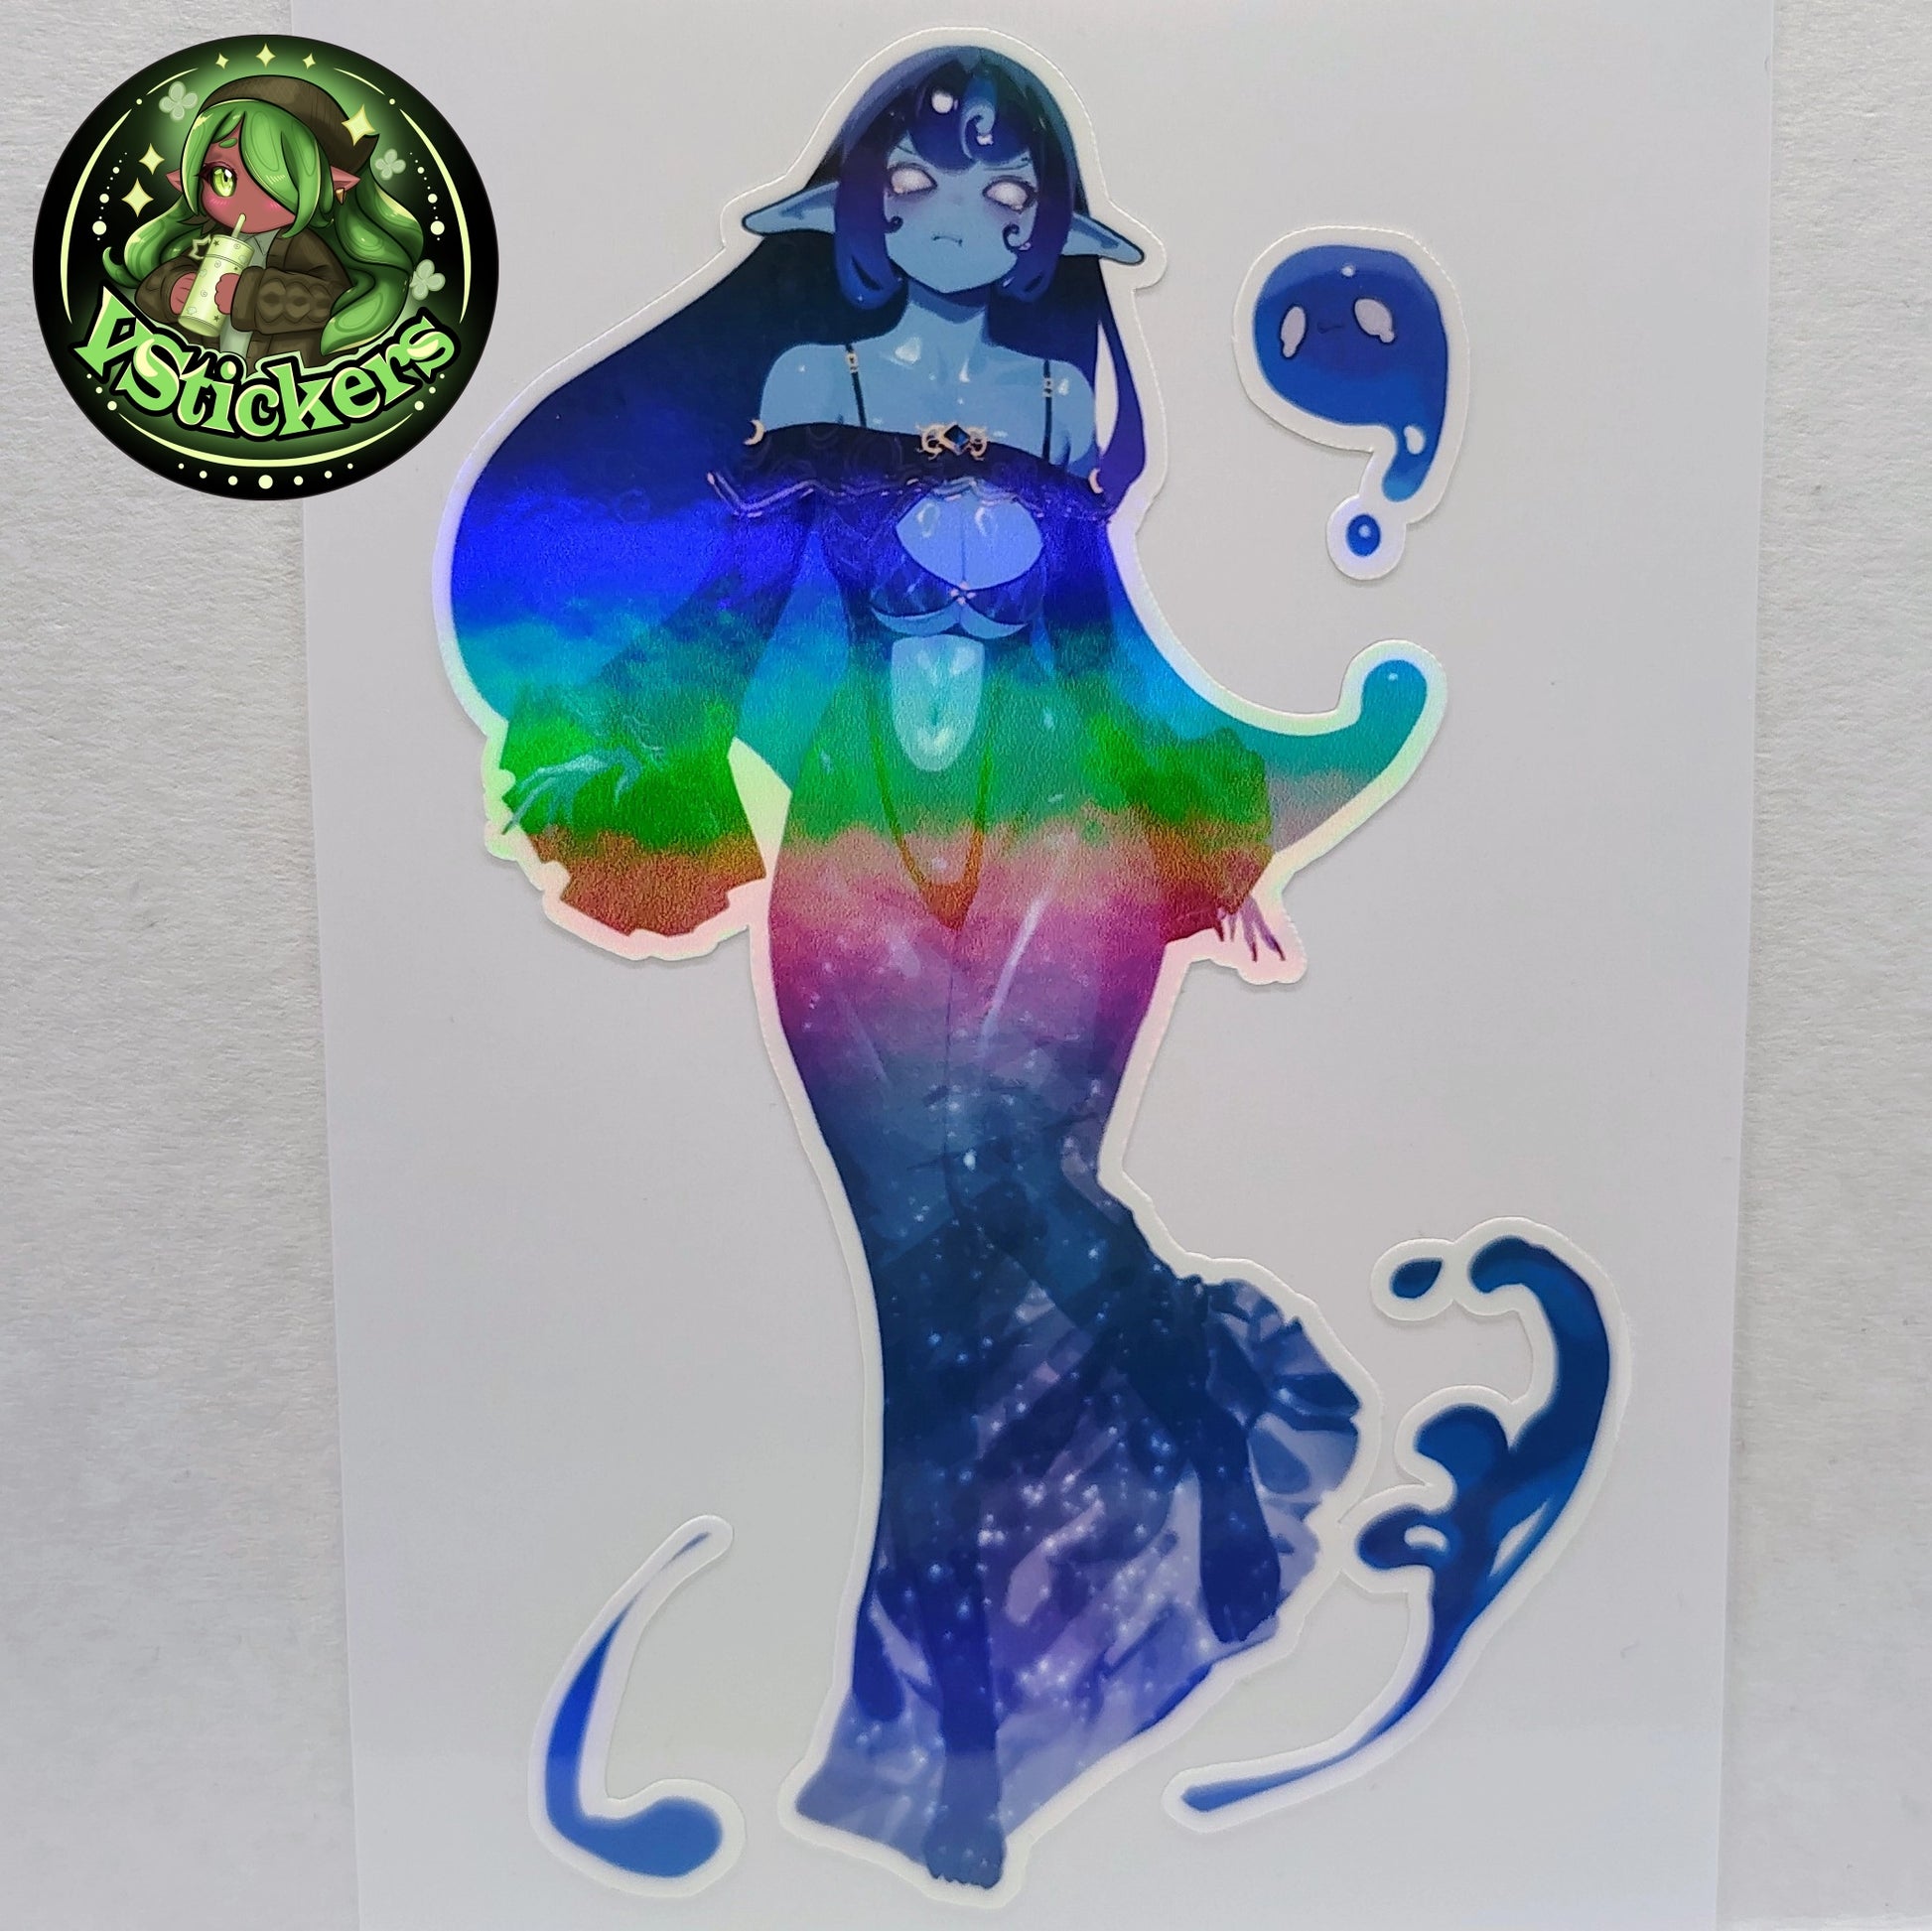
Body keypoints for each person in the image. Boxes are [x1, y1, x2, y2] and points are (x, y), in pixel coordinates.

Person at [446, 44, 1440, 1890]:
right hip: (847, 873)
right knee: (923, 1296)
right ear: (854, 206)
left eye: (1004, 188)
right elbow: (739, 607)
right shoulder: (809, 387)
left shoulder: (1062, 406)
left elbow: (1100, 643)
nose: (963, 212)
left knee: (1034, 1200)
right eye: (918, 181)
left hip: (1053, 857)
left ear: (1050, 221)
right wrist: (633, 765)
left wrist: (1212, 822)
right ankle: (946, 1744)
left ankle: (1201, 1446)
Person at [108, 75, 422, 369]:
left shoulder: (302, 246)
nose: (242, 200)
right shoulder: (206, 239)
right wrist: (170, 290)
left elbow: (326, 299)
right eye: (220, 177)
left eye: (274, 184)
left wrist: (248, 294)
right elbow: (155, 285)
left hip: (281, 381)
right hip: (204, 377)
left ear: (324, 187)